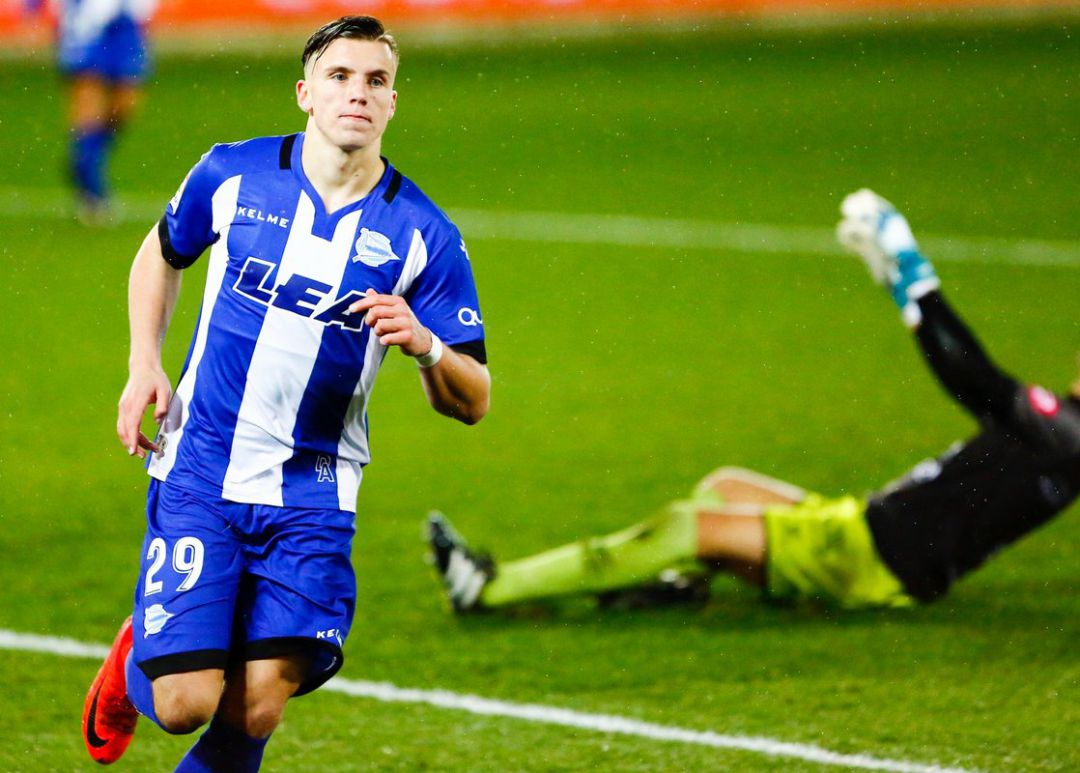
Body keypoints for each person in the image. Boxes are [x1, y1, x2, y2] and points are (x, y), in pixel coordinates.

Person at [82, 16, 490, 769]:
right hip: (202, 465)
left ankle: (173, 638)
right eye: (340, 76)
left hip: (314, 493)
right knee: (183, 704)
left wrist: (426, 345)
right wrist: (145, 364)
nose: (357, 93)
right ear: (306, 93)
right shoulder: (233, 175)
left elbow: (473, 398)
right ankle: (138, 652)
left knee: (256, 707)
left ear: (392, 101)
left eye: (375, 80)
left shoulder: (423, 233)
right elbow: (162, 252)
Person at [428, 189, 1080, 615]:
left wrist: (911, 273)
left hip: (870, 557)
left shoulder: (1068, 437)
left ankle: (489, 586)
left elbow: (972, 376)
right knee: (725, 486)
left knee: (686, 523)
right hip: (864, 526)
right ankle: (670, 588)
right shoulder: (1062, 429)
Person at [27, 0, 157, 222]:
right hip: (86, 17)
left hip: (127, 20)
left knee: (125, 104)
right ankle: (91, 185)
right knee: (89, 98)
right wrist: (31, 9)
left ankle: (85, 157)